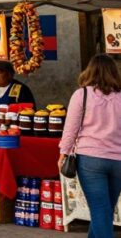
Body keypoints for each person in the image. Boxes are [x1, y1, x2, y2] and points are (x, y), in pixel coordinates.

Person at [59, 54, 121, 238]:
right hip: (118, 160)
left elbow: (70, 129)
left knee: (100, 209)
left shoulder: (81, 95)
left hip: (90, 161)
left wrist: (63, 153)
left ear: (90, 71)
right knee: (105, 209)